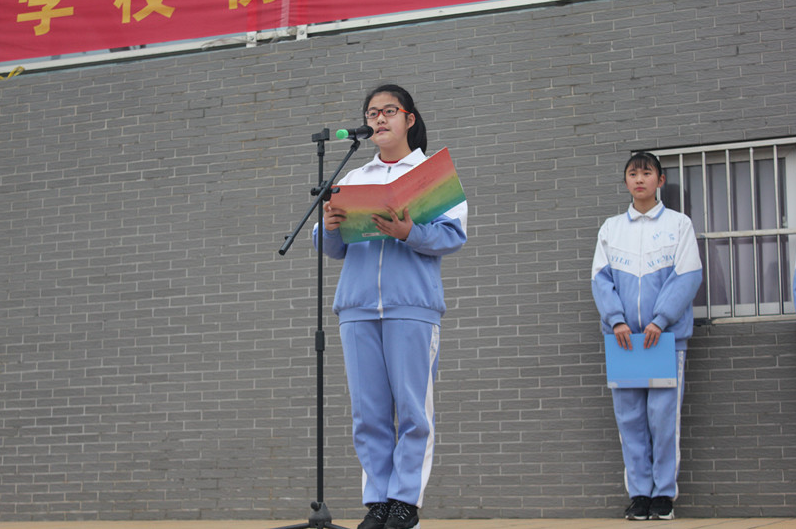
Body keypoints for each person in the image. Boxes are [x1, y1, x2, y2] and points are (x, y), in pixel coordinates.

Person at [313, 84, 467, 529]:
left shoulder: (431, 175)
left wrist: (409, 233)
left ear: (409, 119)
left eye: (389, 111)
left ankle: (405, 502)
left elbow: (453, 236)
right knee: (369, 414)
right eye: (372, 112)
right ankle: (378, 502)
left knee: (414, 411)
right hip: (358, 308)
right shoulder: (353, 177)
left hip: (411, 306)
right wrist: (329, 226)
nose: (379, 119)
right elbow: (331, 248)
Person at [591, 152, 702, 521]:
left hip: (664, 341)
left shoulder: (679, 225)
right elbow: (600, 280)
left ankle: (664, 496)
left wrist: (660, 320)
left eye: (647, 173)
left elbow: (689, 276)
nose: (639, 179)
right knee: (630, 421)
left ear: (660, 180)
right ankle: (639, 494)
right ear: (626, 181)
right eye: (633, 174)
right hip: (624, 342)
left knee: (663, 419)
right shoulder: (611, 229)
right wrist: (616, 321)